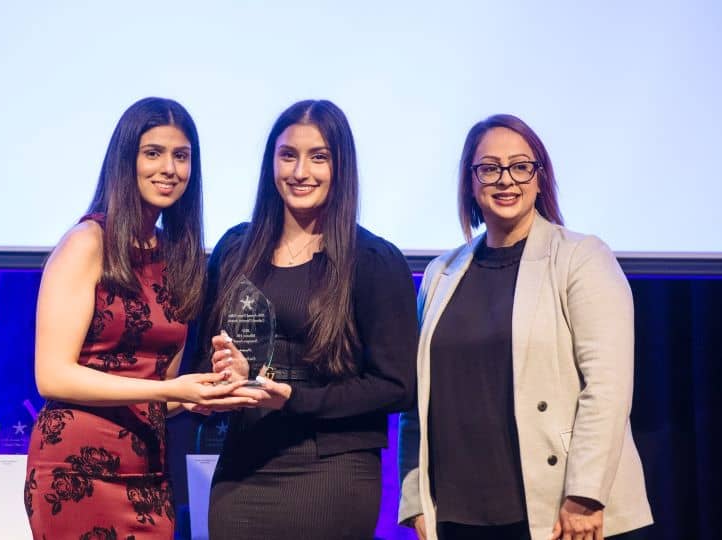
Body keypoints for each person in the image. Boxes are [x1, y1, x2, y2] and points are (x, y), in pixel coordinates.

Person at [398, 114, 653, 540]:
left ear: (539, 178)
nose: (505, 179)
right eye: (489, 168)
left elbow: (607, 387)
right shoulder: (440, 273)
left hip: (562, 514)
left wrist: (585, 495)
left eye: (520, 166)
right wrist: (414, 499)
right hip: (460, 515)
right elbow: (417, 401)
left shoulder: (582, 257)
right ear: (470, 183)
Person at [24, 97, 255, 539]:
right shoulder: (87, 242)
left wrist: (198, 395)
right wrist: (170, 389)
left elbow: (156, 389)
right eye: (153, 153)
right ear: (126, 160)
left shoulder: (177, 257)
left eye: (181, 156)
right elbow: (52, 377)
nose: (169, 168)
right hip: (75, 472)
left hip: (148, 472)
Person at [197, 99, 419, 539]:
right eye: (288, 155)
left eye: (318, 157)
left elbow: (396, 386)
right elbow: (204, 360)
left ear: (341, 167)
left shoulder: (372, 259)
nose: (301, 172)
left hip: (332, 471)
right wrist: (217, 382)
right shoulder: (235, 250)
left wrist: (292, 399)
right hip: (241, 468)